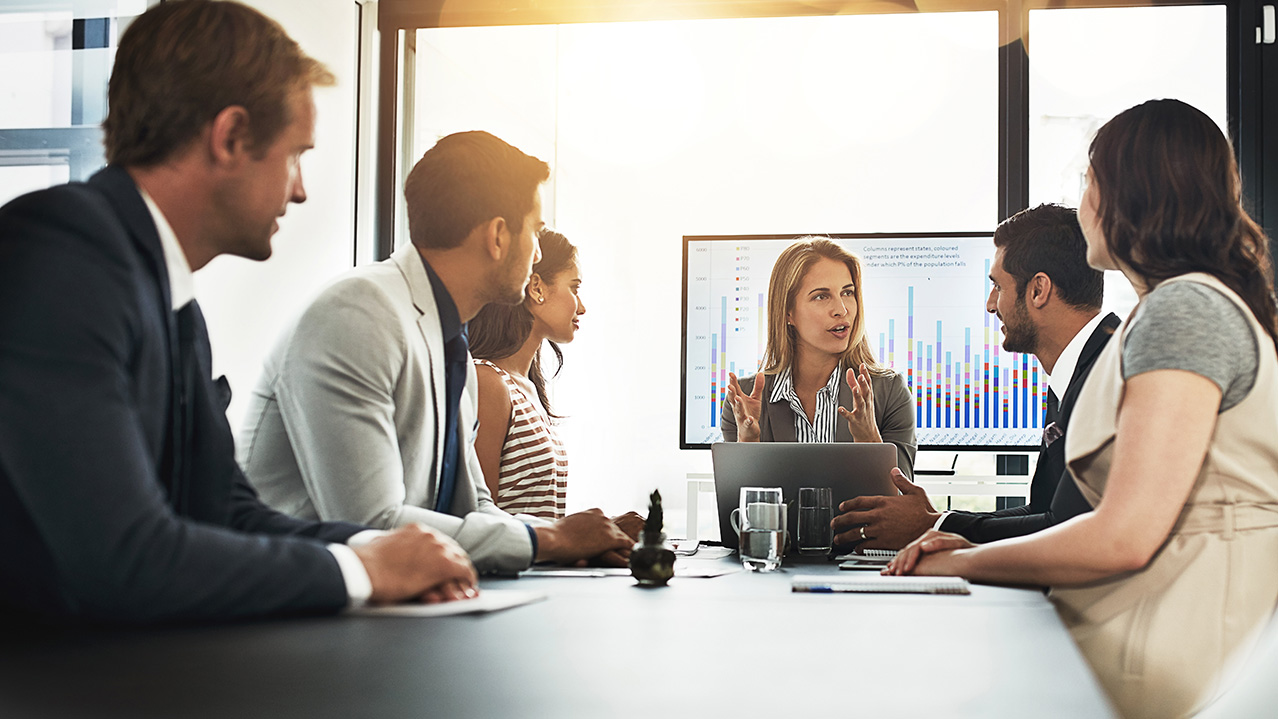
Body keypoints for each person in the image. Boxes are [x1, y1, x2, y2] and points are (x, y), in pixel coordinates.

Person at [0, 0, 476, 624]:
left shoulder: (172, 306)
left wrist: (373, 548)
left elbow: (227, 513)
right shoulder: (61, 254)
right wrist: (364, 573)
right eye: (294, 155)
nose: (300, 188)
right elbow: (123, 559)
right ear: (229, 137)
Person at [888, 99, 1278, 719]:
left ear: (1131, 193)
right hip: (1162, 644)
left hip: (1170, 660)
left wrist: (961, 558)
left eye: (1089, 180)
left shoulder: (1183, 313)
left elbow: (1123, 534)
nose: (1081, 202)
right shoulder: (1175, 311)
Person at [237, 131, 634, 573]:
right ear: (499, 236)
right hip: (301, 615)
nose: (538, 250)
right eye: (535, 232)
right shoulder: (358, 314)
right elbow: (372, 525)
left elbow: (475, 508)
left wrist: (579, 541)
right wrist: (552, 537)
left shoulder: (450, 344)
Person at [830, 204, 1120, 549]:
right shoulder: (1082, 369)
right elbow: (1046, 511)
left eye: (998, 286)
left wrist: (932, 527)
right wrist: (937, 522)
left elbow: (1066, 530)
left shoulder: (1106, 376)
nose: (990, 304)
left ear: (1038, 290)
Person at [468, 229, 646, 537]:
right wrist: (580, 533)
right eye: (574, 288)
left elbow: (528, 514)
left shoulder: (527, 388)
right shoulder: (488, 383)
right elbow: (481, 522)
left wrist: (601, 531)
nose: (581, 306)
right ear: (537, 287)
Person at [721, 237, 917, 477]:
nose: (842, 310)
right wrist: (749, 444)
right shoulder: (744, 400)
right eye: (821, 296)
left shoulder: (889, 392)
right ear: (787, 312)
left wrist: (870, 442)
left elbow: (903, 508)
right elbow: (739, 511)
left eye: (847, 292)